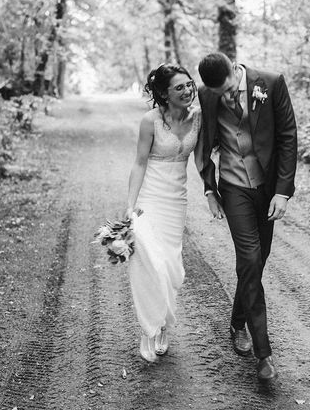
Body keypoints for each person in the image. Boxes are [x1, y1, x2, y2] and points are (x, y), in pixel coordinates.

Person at [196, 52, 297, 381]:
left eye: (227, 88)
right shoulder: (205, 94)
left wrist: (282, 191)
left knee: (257, 261)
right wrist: (210, 189)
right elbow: (201, 144)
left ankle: (237, 321)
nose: (224, 97)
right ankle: (263, 355)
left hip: (267, 187)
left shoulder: (270, 82)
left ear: (234, 69)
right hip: (234, 187)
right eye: (217, 93)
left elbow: (287, 137)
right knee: (250, 258)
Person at [126, 63, 201, 362]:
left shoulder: (198, 118)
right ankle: (148, 329)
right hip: (151, 198)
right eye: (179, 87)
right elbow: (139, 162)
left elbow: (203, 160)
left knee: (171, 268)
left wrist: (212, 192)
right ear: (164, 94)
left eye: (189, 85)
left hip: (176, 201)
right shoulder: (150, 121)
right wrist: (130, 205)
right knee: (150, 264)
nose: (187, 91)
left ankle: (165, 324)